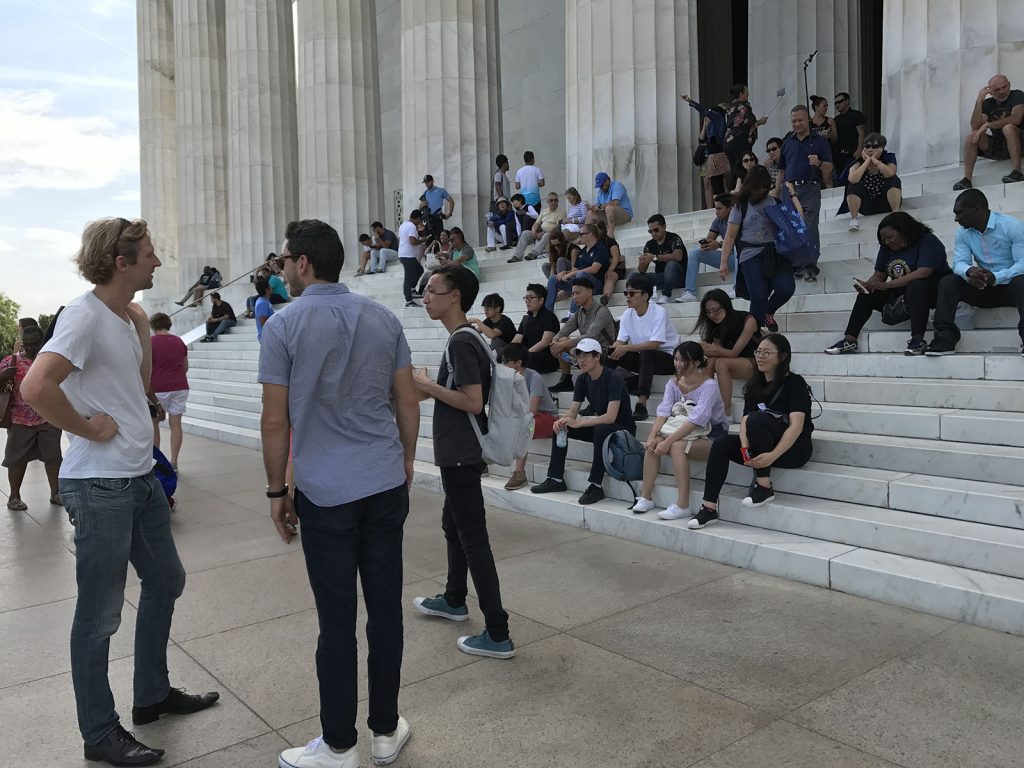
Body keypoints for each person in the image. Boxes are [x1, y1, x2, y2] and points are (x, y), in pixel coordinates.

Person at [21, 216, 218, 767]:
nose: (158, 261)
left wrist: (139, 328)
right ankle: (99, 731)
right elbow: (36, 386)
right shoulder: (82, 317)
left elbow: (137, 387)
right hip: (98, 482)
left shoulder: (123, 315)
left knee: (167, 580)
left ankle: (152, 695)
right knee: (101, 612)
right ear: (120, 261)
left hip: (137, 476)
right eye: (149, 254)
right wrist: (87, 427)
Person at [260, 219, 419, 768]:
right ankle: (383, 730)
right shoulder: (382, 317)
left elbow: (275, 422)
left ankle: (338, 744)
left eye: (284, 261)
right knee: (385, 611)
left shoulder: (282, 326)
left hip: (326, 490)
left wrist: (276, 489)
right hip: (381, 480)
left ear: (303, 263)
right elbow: (407, 401)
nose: (281, 270)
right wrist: (405, 459)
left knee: (336, 619)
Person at [412, 264, 515, 660]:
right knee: (452, 524)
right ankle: (454, 598)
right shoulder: (467, 336)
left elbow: (472, 401)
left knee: (473, 539)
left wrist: (427, 385)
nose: (426, 297)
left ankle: (497, 632)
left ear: (455, 295)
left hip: (461, 452)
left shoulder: (460, 341)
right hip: (459, 451)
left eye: (433, 290)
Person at [689, 333, 813, 530]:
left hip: (793, 449)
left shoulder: (795, 383)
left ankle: (763, 486)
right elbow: (744, 422)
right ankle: (709, 507)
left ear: (782, 357)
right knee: (721, 443)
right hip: (760, 446)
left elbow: (797, 426)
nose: (760, 356)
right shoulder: (754, 384)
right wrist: (746, 451)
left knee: (758, 418)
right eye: (758, 352)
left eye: (767, 352)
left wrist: (772, 456)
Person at [825, 212, 950, 357]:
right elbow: (879, 276)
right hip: (902, 293)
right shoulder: (887, 248)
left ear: (904, 231)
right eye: (883, 240)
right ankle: (850, 340)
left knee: (917, 286)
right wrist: (867, 285)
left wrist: (887, 286)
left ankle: (918, 340)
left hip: (931, 291)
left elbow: (924, 272)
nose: (887, 242)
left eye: (890, 237)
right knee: (867, 295)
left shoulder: (928, 241)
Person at [631, 341, 730, 520]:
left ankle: (683, 505)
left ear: (698, 362)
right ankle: (646, 497)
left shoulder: (709, 386)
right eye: (676, 359)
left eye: (684, 360)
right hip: (683, 428)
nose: (678, 364)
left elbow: (696, 420)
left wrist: (667, 442)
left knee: (676, 446)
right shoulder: (673, 383)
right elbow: (663, 413)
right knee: (652, 444)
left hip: (712, 434)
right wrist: (653, 436)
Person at [530, 337, 636, 505]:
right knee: (560, 428)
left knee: (601, 429)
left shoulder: (613, 378)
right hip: (602, 426)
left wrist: (579, 422)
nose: (581, 360)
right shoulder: (582, 379)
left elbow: (611, 417)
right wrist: (563, 420)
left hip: (622, 429)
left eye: (586, 356)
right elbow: (573, 410)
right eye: (578, 356)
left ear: (597, 357)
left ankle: (595, 485)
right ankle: (556, 479)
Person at [927, 189, 1024, 356]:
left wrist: (997, 277)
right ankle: (945, 339)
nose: (956, 219)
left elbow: (1022, 263)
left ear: (976, 209)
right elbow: (959, 263)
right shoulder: (963, 233)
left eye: (959, 213)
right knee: (948, 281)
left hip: (1011, 288)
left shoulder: (1011, 226)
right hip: (983, 287)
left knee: (1021, 281)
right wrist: (970, 271)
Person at [721, 165, 797, 333]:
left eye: (765, 187)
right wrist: (724, 261)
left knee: (786, 288)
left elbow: (793, 223)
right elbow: (730, 235)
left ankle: (768, 312)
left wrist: (793, 195)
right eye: (758, 188)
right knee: (759, 297)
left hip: (774, 252)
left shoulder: (774, 202)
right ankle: (753, 336)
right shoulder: (741, 205)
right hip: (750, 254)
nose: (761, 191)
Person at [1, 325, 63, 511]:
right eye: (26, 344)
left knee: (53, 458)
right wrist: (4, 375)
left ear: (42, 341)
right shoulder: (11, 361)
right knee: (17, 460)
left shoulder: (51, 360)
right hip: (20, 419)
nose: (29, 348)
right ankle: (14, 497)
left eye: (33, 344)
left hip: (50, 417)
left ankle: (55, 493)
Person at [607, 275, 680, 421]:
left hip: (668, 359)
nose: (628, 297)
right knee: (609, 354)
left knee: (647, 353)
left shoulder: (659, 312)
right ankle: (603, 398)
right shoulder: (628, 314)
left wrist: (626, 349)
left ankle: (641, 405)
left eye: (632, 293)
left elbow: (655, 344)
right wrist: (612, 350)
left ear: (645, 296)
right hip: (643, 358)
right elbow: (620, 341)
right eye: (626, 293)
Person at [775, 104, 833, 281]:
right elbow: (782, 171)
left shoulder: (820, 141)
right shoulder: (787, 143)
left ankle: (810, 265)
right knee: (791, 228)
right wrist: (777, 191)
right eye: (793, 121)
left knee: (809, 225)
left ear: (808, 119)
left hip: (810, 187)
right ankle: (796, 265)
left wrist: (819, 163)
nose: (797, 124)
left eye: (800, 120)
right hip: (789, 189)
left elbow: (829, 167)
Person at [500, 343, 560, 491]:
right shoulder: (509, 379)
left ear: (518, 363)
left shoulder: (534, 378)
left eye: (506, 362)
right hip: (530, 417)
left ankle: (519, 473)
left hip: (549, 419)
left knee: (523, 426)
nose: (502, 365)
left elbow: (532, 410)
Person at [693, 289, 760, 417]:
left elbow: (735, 352)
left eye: (715, 310)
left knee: (721, 363)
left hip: (755, 362)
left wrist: (714, 349)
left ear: (725, 305)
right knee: (711, 360)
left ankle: (725, 412)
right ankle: (704, 404)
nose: (712, 315)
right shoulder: (715, 326)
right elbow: (717, 352)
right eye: (708, 312)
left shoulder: (747, 320)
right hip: (734, 363)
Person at [953, 74, 1024, 190]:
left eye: (1004, 87)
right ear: (990, 92)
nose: (1001, 91)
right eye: (997, 89)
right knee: (971, 136)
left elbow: (1016, 118)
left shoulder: (1017, 95)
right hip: (1000, 146)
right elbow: (975, 126)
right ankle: (966, 179)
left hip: (1020, 141)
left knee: (1008, 127)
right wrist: (979, 101)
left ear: (1009, 84)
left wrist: (988, 124)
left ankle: (1017, 171)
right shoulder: (988, 103)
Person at [548, 277, 618, 392]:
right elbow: (564, 330)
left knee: (564, 343)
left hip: (604, 354)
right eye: (573, 293)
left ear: (590, 292)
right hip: (587, 351)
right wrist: (555, 341)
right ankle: (566, 379)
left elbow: (591, 335)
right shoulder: (579, 313)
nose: (574, 297)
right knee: (561, 340)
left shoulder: (602, 311)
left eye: (578, 293)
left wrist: (563, 344)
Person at [149, 312, 188, 470]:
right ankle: (174, 461)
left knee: (153, 424)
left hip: (157, 388)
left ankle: (156, 462)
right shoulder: (179, 341)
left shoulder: (150, 343)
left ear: (153, 326)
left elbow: (147, 369)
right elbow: (185, 367)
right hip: (180, 386)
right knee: (176, 425)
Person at [545, 223, 608, 318]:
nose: (580, 236)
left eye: (581, 234)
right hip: (579, 283)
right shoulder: (582, 251)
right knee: (553, 279)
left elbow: (595, 269)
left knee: (581, 275)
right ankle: (547, 313)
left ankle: (572, 313)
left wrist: (573, 273)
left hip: (594, 285)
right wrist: (565, 272)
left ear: (590, 234)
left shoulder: (600, 248)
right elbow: (574, 269)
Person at [683, 193, 737, 301]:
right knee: (694, 252)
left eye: (719, 208)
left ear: (730, 208)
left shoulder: (738, 218)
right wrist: (707, 244)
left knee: (737, 250)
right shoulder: (718, 221)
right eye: (715, 208)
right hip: (726, 258)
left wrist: (719, 244)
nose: (716, 212)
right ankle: (690, 292)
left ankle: (737, 288)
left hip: (740, 258)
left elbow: (741, 243)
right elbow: (710, 239)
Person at [843, 132, 902, 232]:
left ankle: (896, 214)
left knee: (893, 179)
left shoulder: (888, 157)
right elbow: (852, 179)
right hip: (867, 205)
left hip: (885, 202)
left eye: (874, 146)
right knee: (853, 186)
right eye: (867, 146)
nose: (870, 149)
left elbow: (890, 173)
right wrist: (866, 162)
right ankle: (854, 220)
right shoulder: (858, 162)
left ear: (881, 148)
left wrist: (875, 160)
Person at [682, 95, 731, 196]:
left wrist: (690, 101)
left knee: (716, 184)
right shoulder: (720, 121)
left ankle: (721, 204)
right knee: (718, 183)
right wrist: (705, 125)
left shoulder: (717, 117)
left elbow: (704, 111)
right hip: (716, 154)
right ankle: (722, 204)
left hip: (714, 155)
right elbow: (701, 139)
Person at [633, 213, 686, 304]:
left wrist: (654, 257)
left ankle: (666, 295)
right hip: (661, 278)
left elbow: (678, 256)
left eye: (656, 230)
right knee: (634, 276)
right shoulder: (649, 244)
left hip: (678, 277)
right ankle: (639, 300)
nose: (653, 233)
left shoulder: (673, 238)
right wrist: (643, 261)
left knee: (671, 264)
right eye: (650, 231)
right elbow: (642, 270)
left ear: (664, 226)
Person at [511, 283, 561, 373]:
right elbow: (517, 339)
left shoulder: (550, 317)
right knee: (504, 354)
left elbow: (544, 343)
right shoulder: (526, 319)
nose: (527, 301)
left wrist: (525, 355)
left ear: (541, 300)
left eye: (530, 298)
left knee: (529, 358)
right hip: (528, 355)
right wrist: (509, 352)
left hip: (546, 358)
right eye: (526, 298)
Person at [510, 191, 565, 263]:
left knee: (547, 235)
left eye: (555, 200)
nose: (553, 202)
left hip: (553, 234)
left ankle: (534, 253)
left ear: (558, 201)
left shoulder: (561, 211)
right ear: (547, 202)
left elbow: (558, 227)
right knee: (525, 233)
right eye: (551, 200)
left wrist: (544, 232)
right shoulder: (544, 211)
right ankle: (517, 256)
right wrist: (533, 231)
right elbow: (536, 223)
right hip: (541, 232)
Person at [398, 209, 430, 308]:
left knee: (419, 270)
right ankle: (408, 300)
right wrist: (424, 240)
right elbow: (412, 241)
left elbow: (400, 239)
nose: (420, 222)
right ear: (418, 218)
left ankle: (412, 289)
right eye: (420, 220)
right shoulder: (412, 226)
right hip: (408, 255)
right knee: (408, 277)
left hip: (404, 254)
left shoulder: (403, 225)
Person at [832, 92, 866, 174]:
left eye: (839, 102)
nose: (837, 105)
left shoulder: (856, 115)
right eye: (835, 103)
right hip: (839, 156)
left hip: (852, 153)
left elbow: (861, 132)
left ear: (847, 101)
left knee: (852, 177)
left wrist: (859, 149)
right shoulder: (836, 119)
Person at [592, 172, 633, 236]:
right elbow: (597, 205)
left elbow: (615, 203)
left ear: (607, 181)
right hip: (609, 215)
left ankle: (610, 234)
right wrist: (592, 208)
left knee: (609, 208)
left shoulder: (617, 185)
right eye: (599, 186)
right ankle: (585, 236)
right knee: (590, 213)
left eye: (601, 185)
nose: (601, 188)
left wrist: (599, 207)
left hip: (625, 214)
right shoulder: (600, 191)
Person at [414, 228, 451, 297]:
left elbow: (449, 254)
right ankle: (420, 291)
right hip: (436, 266)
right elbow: (425, 253)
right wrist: (431, 244)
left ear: (449, 237)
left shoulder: (451, 246)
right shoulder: (437, 245)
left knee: (432, 273)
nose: (442, 237)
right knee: (427, 273)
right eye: (441, 236)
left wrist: (442, 253)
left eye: (444, 236)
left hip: (445, 266)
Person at [421, 174, 455, 238]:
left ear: (432, 181)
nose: (427, 184)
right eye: (425, 182)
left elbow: (451, 201)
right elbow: (420, 208)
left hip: (437, 220)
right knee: (427, 240)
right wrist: (421, 206)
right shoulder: (424, 194)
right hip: (428, 220)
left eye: (428, 182)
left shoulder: (440, 191)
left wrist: (449, 214)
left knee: (439, 239)